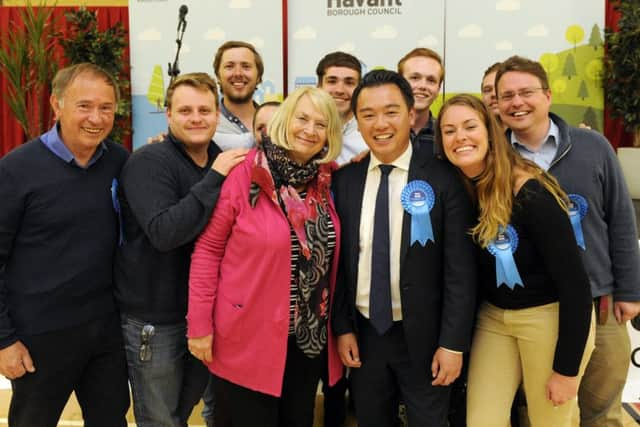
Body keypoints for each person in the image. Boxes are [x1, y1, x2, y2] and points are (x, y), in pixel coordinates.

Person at [494, 55, 640, 427]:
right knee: (543, 409)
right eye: (507, 95)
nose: (517, 102)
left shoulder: (593, 146)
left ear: (547, 95)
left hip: (598, 300)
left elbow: (621, 220)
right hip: (531, 308)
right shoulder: (494, 156)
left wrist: (629, 291)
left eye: (526, 92)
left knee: (602, 408)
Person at [187, 86, 344, 427]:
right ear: (285, 120)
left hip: (308, 342)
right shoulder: (243, 173)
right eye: (302, 118)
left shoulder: (329, 179)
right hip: (246, 336)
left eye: (321, 124)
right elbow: (208, 250)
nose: (309, 129)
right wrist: (199, 324)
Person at [435, 93, 595, 426]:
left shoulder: (530, 193)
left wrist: (566, 370)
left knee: (551, 420)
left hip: (548, 316)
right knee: (481, 420)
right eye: (449, 131)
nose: (460, 137)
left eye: (469, 126)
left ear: (491, 132)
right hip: (494, 319)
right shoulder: (461, 187)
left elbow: (576, 285)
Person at [331, 69, 477, 427]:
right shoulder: (344, 180)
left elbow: (461, 271)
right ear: (357, 121)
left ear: (412, 115)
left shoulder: (444, 179)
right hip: (365, 337)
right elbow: (340, 264)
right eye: (368, 114)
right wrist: (343, 326)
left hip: (427, 341)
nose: (380, 123)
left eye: (391, 111)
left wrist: (453, 343)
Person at [0, 63, 130, 426]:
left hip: (106, 334)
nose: (96, 118)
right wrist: (3, 340)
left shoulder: (121, 162)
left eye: (106, 107)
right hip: (38, 339)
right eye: (84, 105)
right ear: (56, 105)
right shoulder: (16, 169)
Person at [114, 73, 247, 427]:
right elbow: (165, 232)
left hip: (208, 316)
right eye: (185, 110)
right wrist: (215, 178)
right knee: (162, 420)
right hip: (157, 320)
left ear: (217, 115)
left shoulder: (222, 159)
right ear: (168, 115)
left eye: (204, 110)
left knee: (200, 411)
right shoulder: (150, 161)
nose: (196, 118)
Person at [316, 51, 368, 166]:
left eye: (349, 83)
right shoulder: (303, 132)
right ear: (319, 87)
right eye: (332, 81)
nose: (340, 90)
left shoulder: (371, 136)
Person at [212, 40, 264, 150]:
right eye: (229, 66)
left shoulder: (276, 121)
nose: (238, 73)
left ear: (258, 76)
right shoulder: (205, 123)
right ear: (218, 76)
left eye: (246, 66)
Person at [397, 47, 444, 154]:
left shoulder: (446, 133)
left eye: (431, 80)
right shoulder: (382, 129)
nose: (423, 86)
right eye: (415, 78)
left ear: (438, 89)